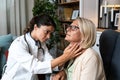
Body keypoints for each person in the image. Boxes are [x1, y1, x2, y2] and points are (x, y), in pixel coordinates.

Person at [1, 14, 82, 80]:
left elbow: (50, 62)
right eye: (46, 32)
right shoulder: (18, 44)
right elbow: (34, 67)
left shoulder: (41, 44)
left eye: (50, 33)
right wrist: (65, 57)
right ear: (36, 27)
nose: (49, 36)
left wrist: (65, 59)